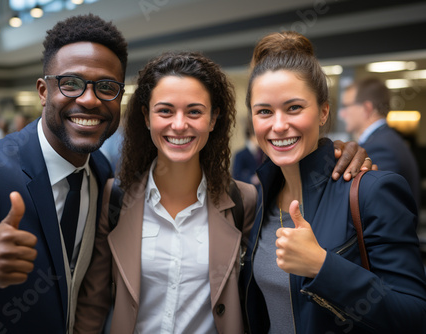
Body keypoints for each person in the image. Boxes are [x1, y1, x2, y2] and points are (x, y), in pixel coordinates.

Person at [74, 51, 372, 334]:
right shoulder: (116, 198)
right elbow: (93, 304)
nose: (179, 125)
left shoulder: (244, 201)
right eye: (165, 111)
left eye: (194, 111)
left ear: (213, 119)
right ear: (146, 116)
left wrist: (335, 150)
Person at [0, 14, 127, 334]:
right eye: (71, 83)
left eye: (106, 87)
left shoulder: (102, 171)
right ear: (43, 91)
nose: (89, 100)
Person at [242, 31, 426, 334]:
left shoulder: (371, 191)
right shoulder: (260, 200)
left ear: (323, 111)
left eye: (294, 108)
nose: (278, 125)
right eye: (264, 111)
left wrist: (322, 267)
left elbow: (415, 316)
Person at [339, 77, 421, 210]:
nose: (342, 114)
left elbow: (377, 206)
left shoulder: (380, 148)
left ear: (367, 108)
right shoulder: (387, 139)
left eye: (346, 106)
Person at [232, 120, 263, 189]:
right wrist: (251, 179)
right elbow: (236, 176)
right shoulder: (240, 154)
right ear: (252, 136)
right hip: (247, 190)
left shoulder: (263, 153)